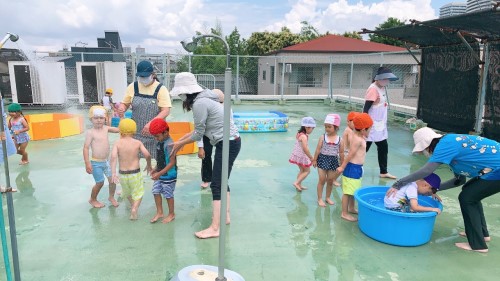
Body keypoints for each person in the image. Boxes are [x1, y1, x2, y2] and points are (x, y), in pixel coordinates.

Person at [387, 127, 500, 253]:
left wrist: (399, 183)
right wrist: (434, 190)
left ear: (428, 144)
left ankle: (478, 245)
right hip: (494, 170)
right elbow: (459, 181)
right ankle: (482, 234)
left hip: (498, 169)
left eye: (423, 150)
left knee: (467, 198)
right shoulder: (451, 150)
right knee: (470, 192)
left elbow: (426, 170)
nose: (425, 153)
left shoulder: (445, 144)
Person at [169, 72, 241, 239]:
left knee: (216, 185)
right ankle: (226, 217)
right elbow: (197, 131)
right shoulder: (206, 97)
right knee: (222, 181)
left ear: (186, 93)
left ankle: (216, 228)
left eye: (181, 94)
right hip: (230, 141)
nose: (180, 97)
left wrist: (179, 144)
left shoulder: (199, 104)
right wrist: (179, 140)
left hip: (227, 143)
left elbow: (198, 134)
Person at [117, 60, 172, 158]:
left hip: (156, 135)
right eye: (141, 77)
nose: (143, 79)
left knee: (159, 162)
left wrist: (150, 123)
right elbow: (125, 104)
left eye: (145, 76)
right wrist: (122, 108)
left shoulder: (161, 89)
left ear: (152, 75)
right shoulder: (133, 87)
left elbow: (166, 110)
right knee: (133, 160)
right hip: (136, 134)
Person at [110, 118, 152, 220]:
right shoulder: (137, 142)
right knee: (139, 192)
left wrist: (113, 173)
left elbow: (113, 157)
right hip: (135, 173)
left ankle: (133, 205)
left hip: (123, 174)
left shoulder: (117, 143)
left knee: (127, 192)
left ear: (120, 130)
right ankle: (134, 208)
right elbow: (147, 154)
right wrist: (149, 164)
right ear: (134, 129)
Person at [363, 67, 398, 179]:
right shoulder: (373, 89)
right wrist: (365, 125)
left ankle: (383, 172)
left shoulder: (381, 87)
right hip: (371, 124)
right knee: (363, 147)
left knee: (383, 147)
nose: (387, 81)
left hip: (380, 124)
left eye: (388, 79)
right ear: (378, 78)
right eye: (385, 79)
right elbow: (366, 108)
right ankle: (351, 167)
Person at [337, 113, 373, 222]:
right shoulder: (357, 139)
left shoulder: (359, 136)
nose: (370, 132)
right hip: (352, 168)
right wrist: (342, 166)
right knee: (347, 192)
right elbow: (350, 154)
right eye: (369, 130)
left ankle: (351, 208)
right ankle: (344, 213)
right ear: (363, 130)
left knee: (353, 190)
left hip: (357, 168)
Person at [83, 106, 120, 208]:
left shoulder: (106, 128)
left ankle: (111, 197)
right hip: (96, 163)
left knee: (112, 180)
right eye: (96, 118)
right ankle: (93, 199)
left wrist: (121, 117)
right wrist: (87, 163)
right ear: (91, 119)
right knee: (99, 183)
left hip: (106, 162)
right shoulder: (91, 132)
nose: (99, 120)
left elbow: (118, 130)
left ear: (105, 119)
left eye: (101, 118)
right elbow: (86, 148)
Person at [148, 118, 178, 224]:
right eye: (154, 136)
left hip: (169, 175)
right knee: (155, 191)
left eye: (157, 136)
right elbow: (161, 160)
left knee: (168, 194)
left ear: (165, 132)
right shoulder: (160, 142)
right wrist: (155, 169)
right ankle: (160, 212)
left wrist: (159, 173)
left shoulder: (170, 144)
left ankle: (171, 214)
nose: (156, 138)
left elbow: (171, 163)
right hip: (160, 173)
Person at [312, 114, 344, 207]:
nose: (327, 129)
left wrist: (342, 165)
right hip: (322, 159)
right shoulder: (323, 137)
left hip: (333, 161)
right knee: (322, 179)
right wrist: (314, 160)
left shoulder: (340, 140)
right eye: (325, 127)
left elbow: (341, 153)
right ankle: (319, 198)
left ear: (336, 127)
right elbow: (318, 149)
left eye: (329, 127)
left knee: (330, 180)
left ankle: (328, 197)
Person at [197, 89, 225, 189]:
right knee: (206, 154)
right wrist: (200, 147)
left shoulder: (225, 108)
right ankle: (206, 178)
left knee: (220, 157)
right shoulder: (203, 108)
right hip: (206, 133)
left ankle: (219, 179)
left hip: (219, 134)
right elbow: (199, 129)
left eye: (221, 102)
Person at [289, 117, 316, 192]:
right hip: (302, 155)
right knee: (307, 171)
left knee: (301, 170)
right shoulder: (304, 136)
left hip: (297, 154)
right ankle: (296, 183)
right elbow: (305, 148)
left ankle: (299, 184)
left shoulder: (299, 133)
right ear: (307, 127)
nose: (312, 130)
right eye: (312, 128)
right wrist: (311, 157)